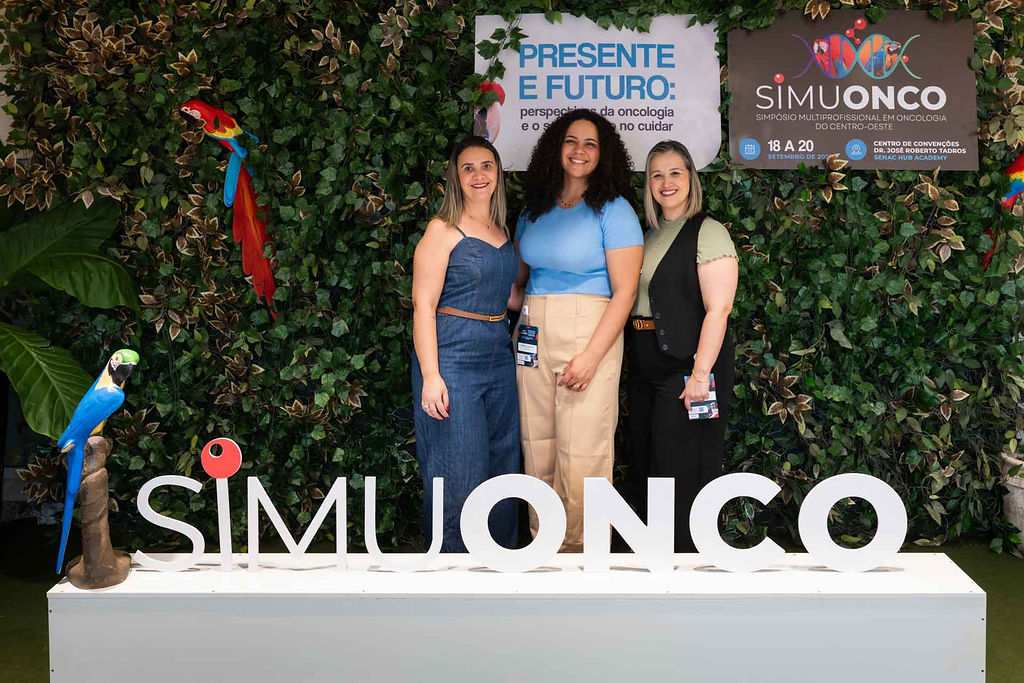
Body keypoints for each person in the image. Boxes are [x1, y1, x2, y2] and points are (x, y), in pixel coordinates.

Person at [514, 109, 643, 552]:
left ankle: (583, 552)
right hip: (532, 332)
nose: (579, 151)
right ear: (557, 147)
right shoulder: (534, 209)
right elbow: (519, 282)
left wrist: (590, 357)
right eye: (571, 141)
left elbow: (625, 292)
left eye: (591, 144)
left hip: (590, 332)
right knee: (537, 444)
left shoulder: (614, 210)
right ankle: (543, 545)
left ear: (604, 154)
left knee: (583, 447)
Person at [625, 140, 738, 552]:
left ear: (691, 177)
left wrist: (700, 375)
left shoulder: (708, 232)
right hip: (645, 364)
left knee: (682, 465)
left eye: (675, 172)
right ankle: (653, 552)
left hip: (687, 368)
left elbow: (719, 309)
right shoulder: (649, 233)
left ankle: (686, 556)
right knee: (646, 460)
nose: (666, 182)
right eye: (656, 175)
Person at [411, 136, 520, 552]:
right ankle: (451, 567)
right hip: (453, 356)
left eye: (486, 166)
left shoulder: (501, 229)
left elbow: (510, 297)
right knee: (458, 465)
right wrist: (431, 376)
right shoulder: (442, 229)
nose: (479, 175)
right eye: (468, 168)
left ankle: (500, 558)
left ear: (498, 173)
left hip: (498, 353)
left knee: (503, 459)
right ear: (456, 177)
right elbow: (423, 305)